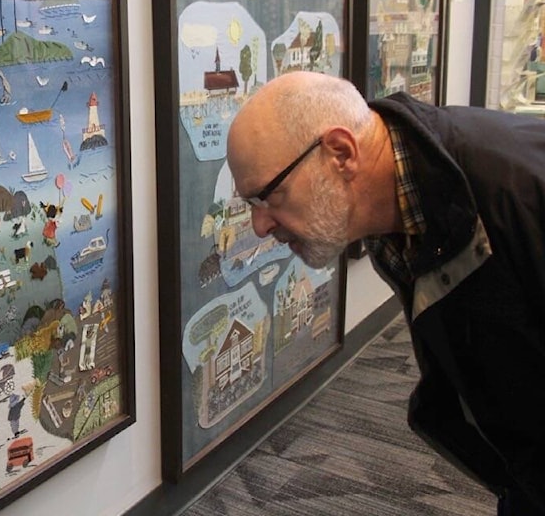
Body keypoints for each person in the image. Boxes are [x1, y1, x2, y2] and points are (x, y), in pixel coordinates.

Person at [225, 71, 545, 515]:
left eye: (269, 196)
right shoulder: (400, 202)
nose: (261, 226)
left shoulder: (513, 193)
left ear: (340, 153)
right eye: (251, 205)